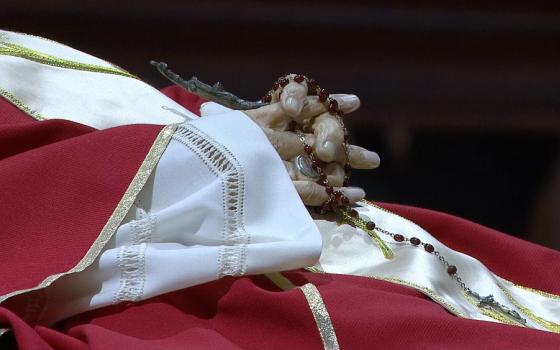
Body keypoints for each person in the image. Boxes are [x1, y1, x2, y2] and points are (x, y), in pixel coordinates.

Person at [0, 29, 559, 349]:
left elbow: (60, 121)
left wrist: (250, 122)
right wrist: (211, 155)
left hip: (327, 245)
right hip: (181, 307)